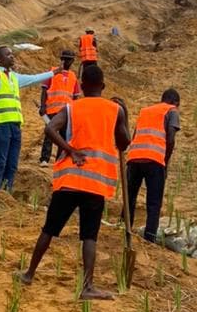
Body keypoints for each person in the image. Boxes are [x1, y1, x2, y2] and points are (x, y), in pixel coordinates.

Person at [19, 64, 130, 299]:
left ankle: (29, 274)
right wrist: (125, 114)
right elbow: (124, 143)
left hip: (70, 179)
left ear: (81, 85)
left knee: (49, 229)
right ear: (103, 85)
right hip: (95, 183)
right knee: (89, 236)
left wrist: (70, 150)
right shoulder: (115, 110)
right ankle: (87, 286)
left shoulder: (72, 107)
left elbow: (50, 129)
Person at [0, 46, 53, 193]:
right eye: (8, 55)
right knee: (1, 160)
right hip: (1, 123)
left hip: (15, 124)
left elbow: (34, 78)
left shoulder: (14, 77)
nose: (12, 57)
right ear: (0, 59)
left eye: (12, 54)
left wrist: (53, 73)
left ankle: (6, 191)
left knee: (13, 163)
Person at [127, 89, 181, 242]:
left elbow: (135, 135)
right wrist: (165, 160)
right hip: (155, 159)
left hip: (134, 157)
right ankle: (150, 237)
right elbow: (170, 138)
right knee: (154, 201)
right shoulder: (172, 111)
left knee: (130, 196)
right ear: (176, 103)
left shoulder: (145, 111)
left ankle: (125, 229)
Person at [38, 50, 80, 165]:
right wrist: (42, 106)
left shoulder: (73, 76)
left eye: (68, 59)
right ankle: (44, 159)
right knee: (49, 135)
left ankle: (59, 160)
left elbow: (75, 96)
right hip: (52, 109)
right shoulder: (53, 72)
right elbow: (44, 90)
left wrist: (74, 111)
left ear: (72, 61)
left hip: (66, 112)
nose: (65, 61)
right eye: (64, 58)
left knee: (64, 137)